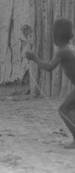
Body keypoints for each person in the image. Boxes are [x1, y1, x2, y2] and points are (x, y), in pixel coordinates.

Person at [25, 18, 75, 149]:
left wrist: (34, 58)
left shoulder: (62, 51)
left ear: (55, 38)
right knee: (71, 110)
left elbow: (49, 67)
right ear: (71, 36)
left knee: (63, 110)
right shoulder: (70, 48)